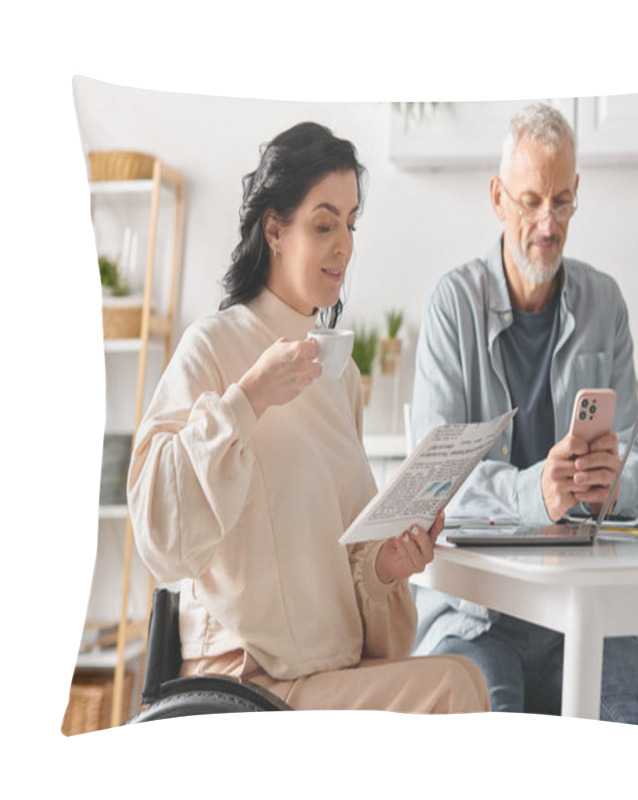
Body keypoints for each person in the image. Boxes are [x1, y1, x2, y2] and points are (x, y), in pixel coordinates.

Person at [127, 121, 490, 714]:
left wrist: (385, 565)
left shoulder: (338, 374)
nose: (344, 245)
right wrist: (249, 399)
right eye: (324, 224)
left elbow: (343, 546)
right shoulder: (211, 348)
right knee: (454, 687)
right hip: (243, 678)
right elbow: (158, 534)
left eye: (350, 224)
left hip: (324, 673)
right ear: (275, 228)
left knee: (462, 677)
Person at [410, 103, 638, 730]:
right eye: (531, 201)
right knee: (495, 740)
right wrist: (532, 490)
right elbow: (430, 486)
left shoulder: (605, 302)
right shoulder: (450, 306)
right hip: (473, 619)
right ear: (496, 197)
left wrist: (615, 482)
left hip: (580, 612)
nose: (548, 222)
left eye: (562, 202)